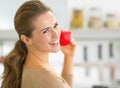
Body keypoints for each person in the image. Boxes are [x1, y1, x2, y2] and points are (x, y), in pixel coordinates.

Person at [1, 0, 76, 88]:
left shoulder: (25, 66)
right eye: (46, 31)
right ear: (26, 39)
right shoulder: (49, 79)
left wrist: (69, 57)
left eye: (55, 25)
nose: (56, 35)